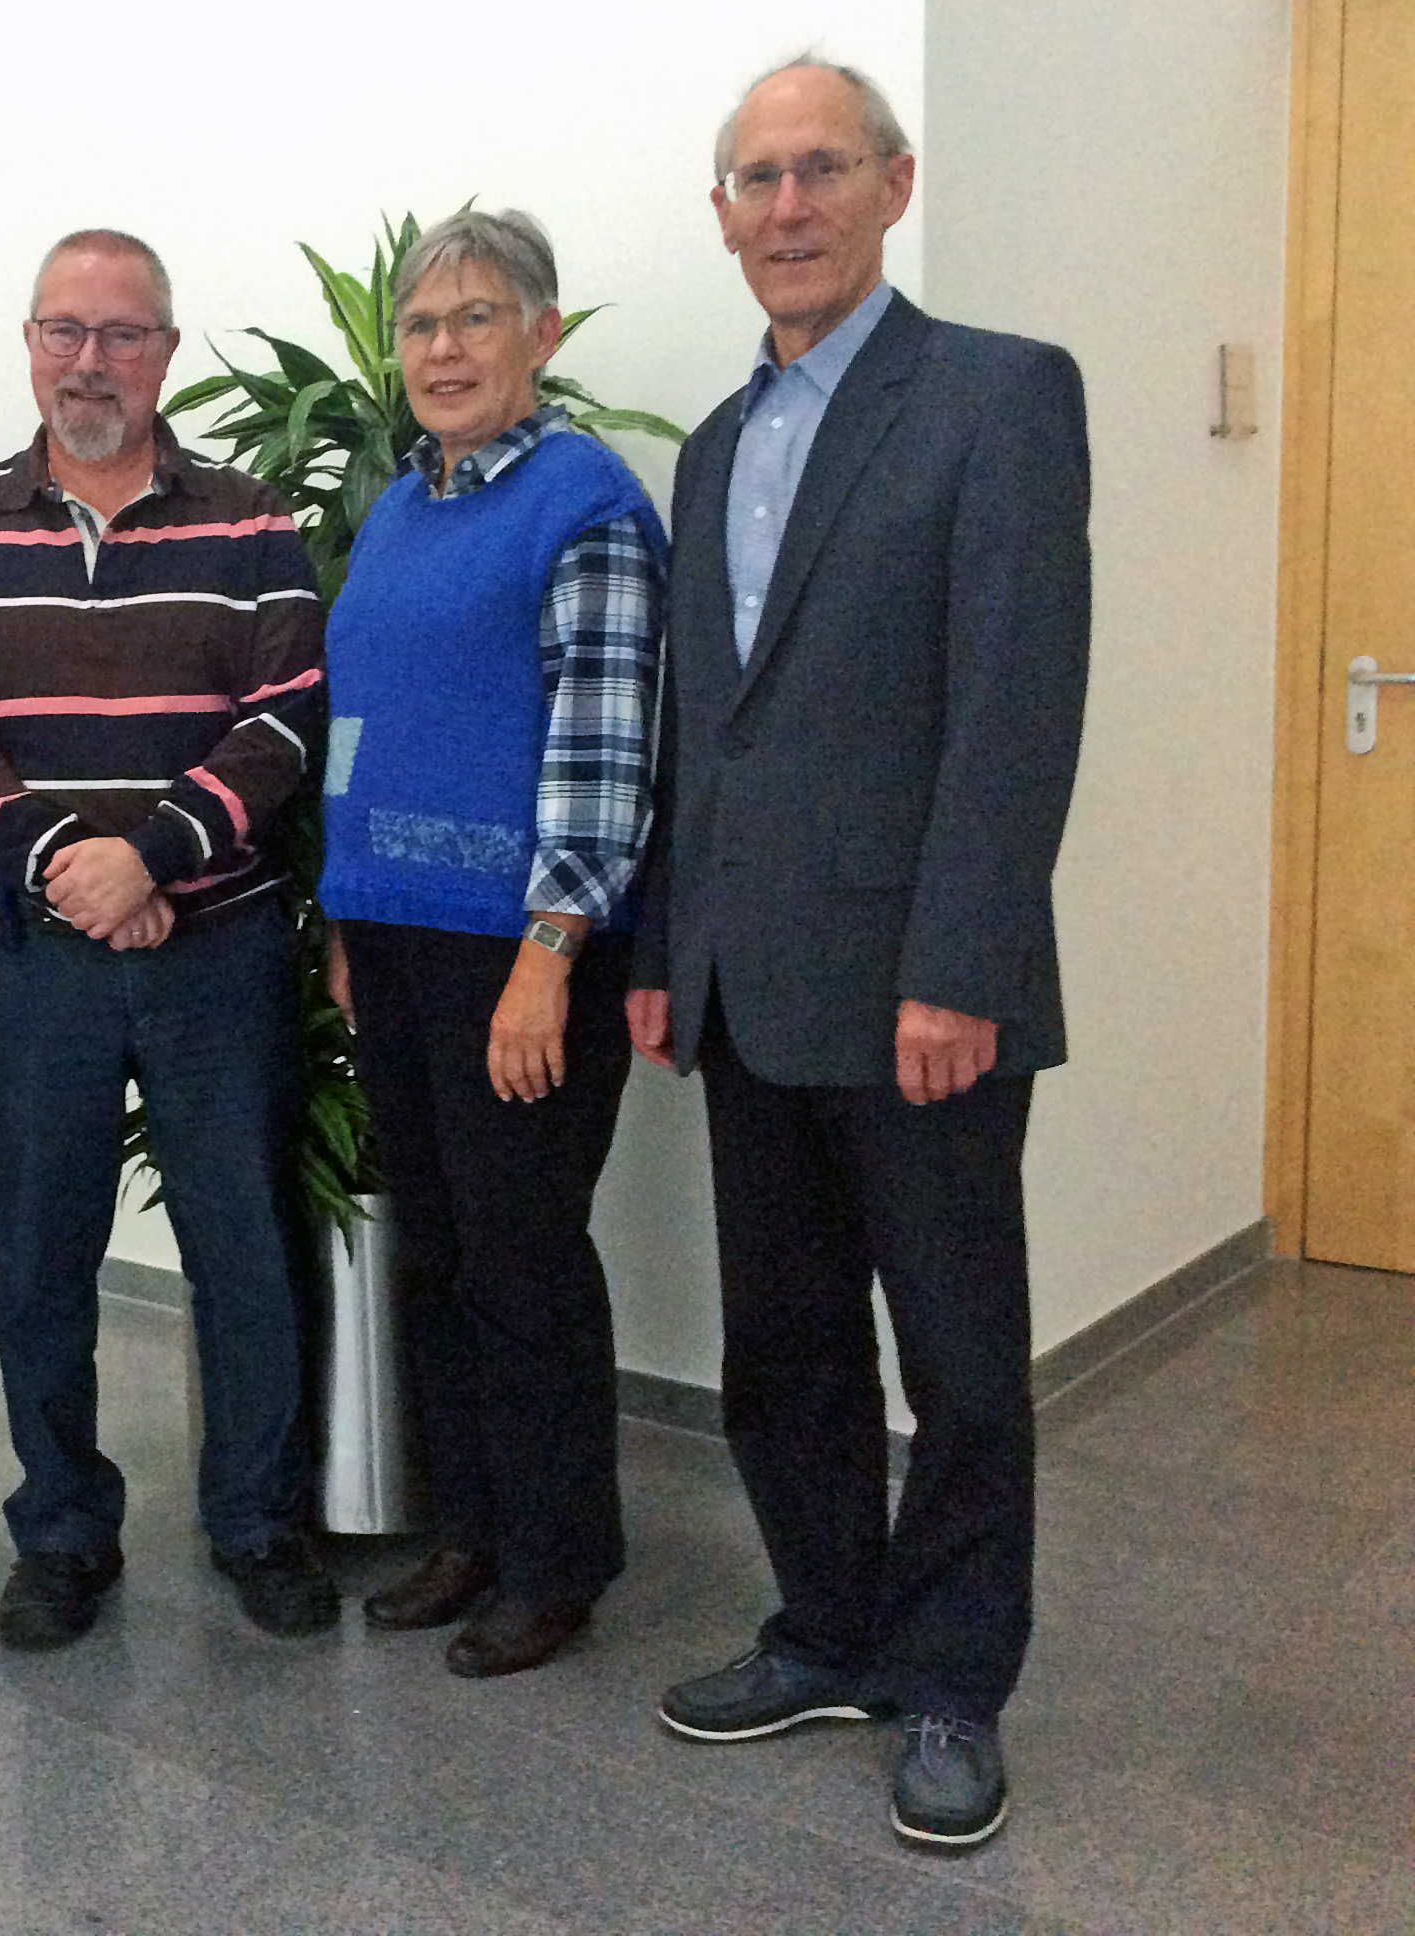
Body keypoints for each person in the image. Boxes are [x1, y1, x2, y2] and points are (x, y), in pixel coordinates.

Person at [628, 57, 1090, 1849]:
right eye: (757, 179)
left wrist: (960, 967)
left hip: (922, 997)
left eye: (823, 168)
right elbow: (704, 726)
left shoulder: (997, 395)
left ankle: (953, 1680)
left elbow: (1015, 708)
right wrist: (666, 943)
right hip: (747, 989)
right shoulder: (715, 447)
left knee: (959, 1364)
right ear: (723, 215)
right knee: (786, 1345)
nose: (790, 205)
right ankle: (827, 1630)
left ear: (894, 187)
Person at [0, 229, 336, 1648]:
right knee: (39, 1259)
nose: (92, 362)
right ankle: (64, 1529)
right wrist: (66, 868)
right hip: (34, 961)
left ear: (167, 352)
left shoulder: (252, 523)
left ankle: (258, 1521)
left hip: (219, 958)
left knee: (244, 1250)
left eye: (122, 334)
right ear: (30, 344)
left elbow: (287, 719)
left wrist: (150, 855)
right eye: (65, 332)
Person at [318, 211, 666, 1678]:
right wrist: (346, 907)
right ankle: (466, 1530)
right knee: (439, 1250)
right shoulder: (402, 508)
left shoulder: (585, 503)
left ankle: (556, 1560)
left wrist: (550, 952)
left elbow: (606, 744)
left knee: (522, 1260)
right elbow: (359, 715)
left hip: (522, 954)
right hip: (396, 940)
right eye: (421, 324)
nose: (443, 348)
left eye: (476, 318)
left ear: (543, 334)